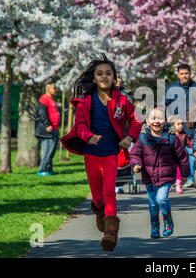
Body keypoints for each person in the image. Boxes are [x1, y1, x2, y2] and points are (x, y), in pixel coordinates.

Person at [60, 54, 142, 252]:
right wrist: (88, 136)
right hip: (91, 153)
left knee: (108, 191)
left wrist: (129, 137)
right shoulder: (86, 101)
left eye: (108, 73)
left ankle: (110, 234)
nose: (104, 76)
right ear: (94, 78)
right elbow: (79, 124)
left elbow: (137, 120)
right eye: (99, 73)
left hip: (111, 153)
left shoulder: (122, 101)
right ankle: (99, 211)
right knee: (97, 196)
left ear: (114, 77)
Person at [130, 108, 190, 238]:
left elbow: (182, 157)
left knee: (161, 199)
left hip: (166, 176)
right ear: (147, 121)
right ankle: (155, 227)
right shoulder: (142, 138)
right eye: (153, 118)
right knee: (152, 204)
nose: (156, 121)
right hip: (149, 176)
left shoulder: (171, 138)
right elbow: (135, 154)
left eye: (160, 118)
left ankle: (168, 221)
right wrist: (136, 164)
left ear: (166, 121)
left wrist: (185, 174)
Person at [165, 63, 196, 188]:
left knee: (190, 152)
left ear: (190, 74)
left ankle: (189, 178)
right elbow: (165, 104)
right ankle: (175, 178)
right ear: (178, 74)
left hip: (191, 124)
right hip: (175, 124)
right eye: (182, 73)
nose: (185, 76)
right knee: (174, 152)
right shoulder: (171, 87)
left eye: (187, 73)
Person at [35, 82, 61, 176]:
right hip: (48, 129)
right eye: (54, 88)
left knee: (52, 150)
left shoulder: (51, 100)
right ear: (48, 89)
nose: (55, 90)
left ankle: (49, 168)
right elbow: (42, 112)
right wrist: (47, 125)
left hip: (55, 128)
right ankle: (42, 170)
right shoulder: (44, 99)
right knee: (47, 150)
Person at [168, 115, 193, 194]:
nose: (181, 126)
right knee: (169, 172)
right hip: (170, 156)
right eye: (178, 124)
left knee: (179, 172)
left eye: (182, 124)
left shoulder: (184, 135)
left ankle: (178, 186)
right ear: (173, 125)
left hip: (180, 157)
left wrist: (192, 144)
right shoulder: (170, 135)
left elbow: (189, 143)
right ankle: (168, 186)